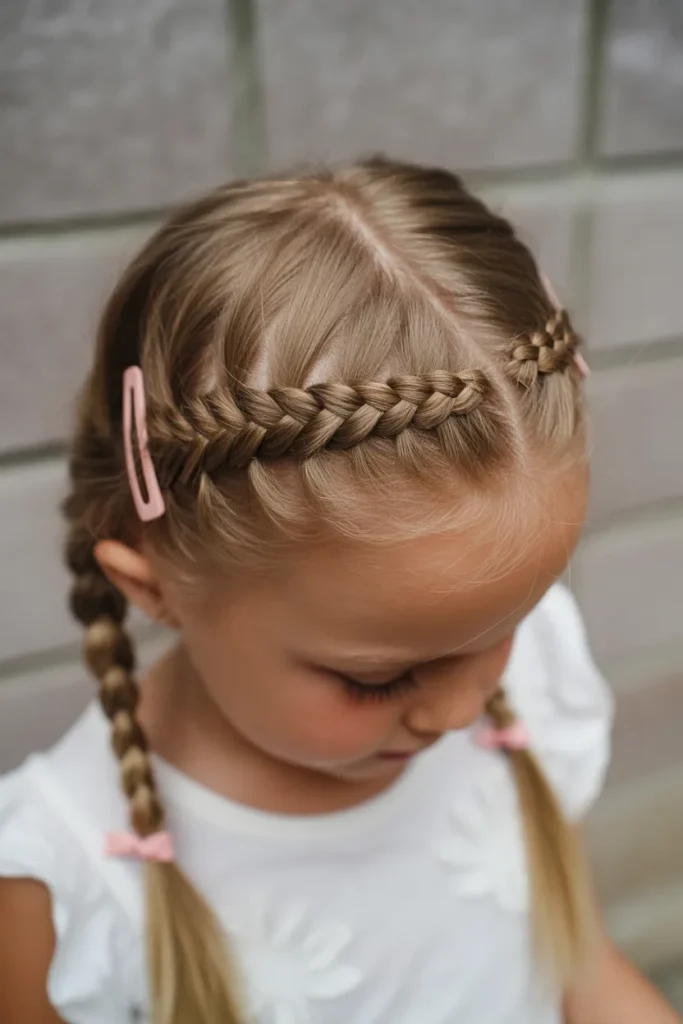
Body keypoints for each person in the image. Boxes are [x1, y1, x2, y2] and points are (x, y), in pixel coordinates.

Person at [0, 158, 678, 1024]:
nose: (460, 709)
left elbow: (576, 964)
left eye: (503, 626)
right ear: (157, 590)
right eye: (378, 678)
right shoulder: (63, 891)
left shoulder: (531, 683)